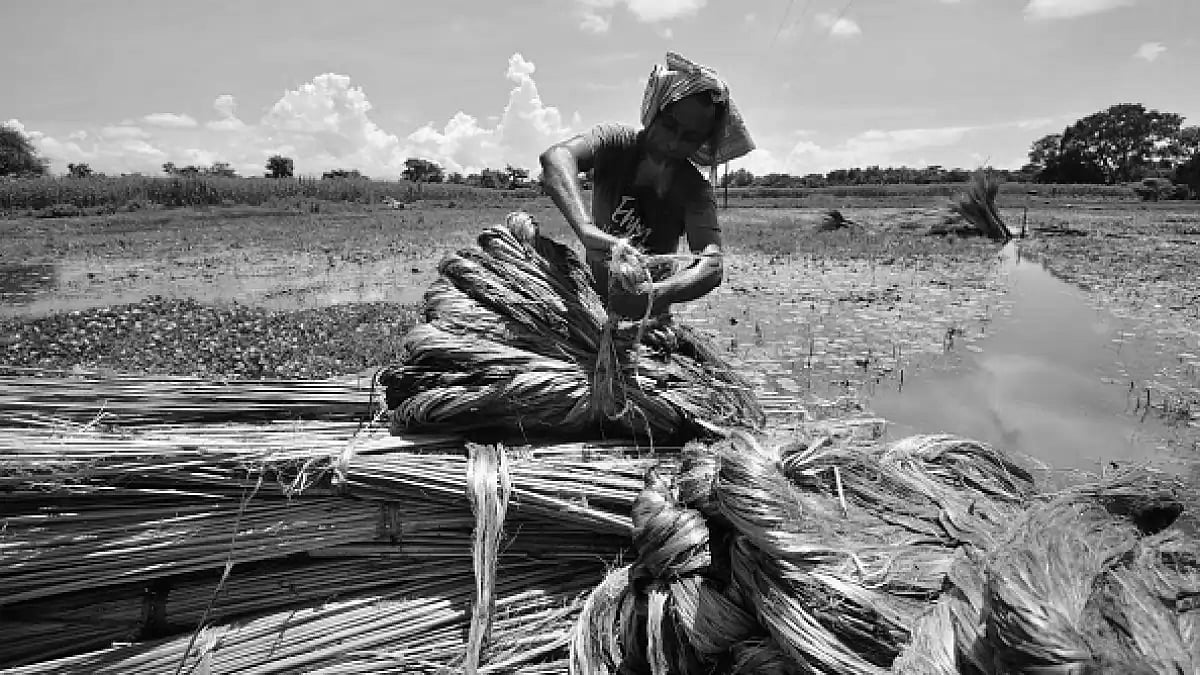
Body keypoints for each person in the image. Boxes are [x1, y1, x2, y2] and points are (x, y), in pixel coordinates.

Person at [539, 52, 754, 319]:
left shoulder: (694, 190)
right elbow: (556, 158)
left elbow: (711, 264)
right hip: (591, 302)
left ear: (702, 143)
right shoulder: (615, 143)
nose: (674, 143)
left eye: (690, 137)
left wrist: (655, 294)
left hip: (650, 318)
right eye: (670, 126)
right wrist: (585, 228)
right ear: (655, 112)